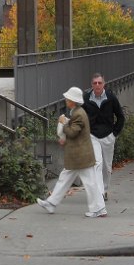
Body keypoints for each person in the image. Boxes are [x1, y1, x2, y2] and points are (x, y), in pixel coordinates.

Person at [36, 87, 107, 218]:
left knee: (88, 182)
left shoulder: (78, 113)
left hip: (80, 156)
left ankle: (98, 208)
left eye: (68, 99)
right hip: (79, 156)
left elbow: (73, 132)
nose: (66, 100)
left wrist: (63, 124)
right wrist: (66, 128)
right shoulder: (77, 111)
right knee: (70, 179)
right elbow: (75, 130)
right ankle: (52, 203)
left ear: (73, 101)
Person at [82, 73, 125, 200]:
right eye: (95, 83)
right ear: (91, 85)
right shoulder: (86, 98)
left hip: (108, 136)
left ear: (104, 84)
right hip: (93, 135)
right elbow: (81, 116)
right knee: (97, 164)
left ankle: (105, 189)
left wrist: (114, 134)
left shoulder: (111, 97)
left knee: (106, 166)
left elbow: (121, 116)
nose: (97, 85)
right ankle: (98, 192)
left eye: (99, 83)